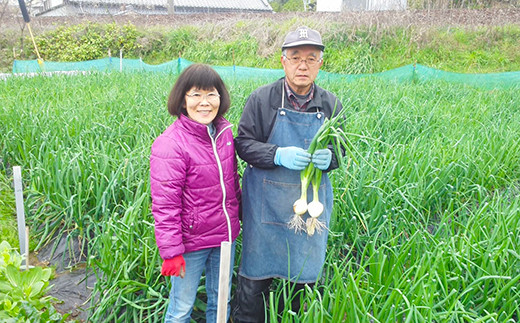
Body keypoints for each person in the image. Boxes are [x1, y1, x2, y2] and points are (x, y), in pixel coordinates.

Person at [231, 26, 344, 322]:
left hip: (309, 211)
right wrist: (277, 154)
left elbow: (342, 151)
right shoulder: (262, 99)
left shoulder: (331, 104)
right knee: (256, 279)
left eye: (311, 58)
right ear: (283, 62)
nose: (302, 65)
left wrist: (329, 158)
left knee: (302, 279)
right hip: (265, 206)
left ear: (321, 62)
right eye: (295, 58)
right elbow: (243, 145)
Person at [150, 63, 241, 323]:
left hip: (225, 237)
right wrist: (171, 252)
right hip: (191, 243)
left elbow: (232, 183)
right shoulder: (171, 144)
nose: (204, 102)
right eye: (196, 94)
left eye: (211, 94)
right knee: (181, 310)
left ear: (220, 98)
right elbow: (165, 205)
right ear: (182, 99)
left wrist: (241, 219)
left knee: (220, 302)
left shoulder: (223, 133)